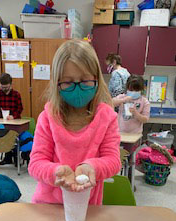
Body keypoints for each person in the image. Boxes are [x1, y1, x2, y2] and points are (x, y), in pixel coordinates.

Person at [28, 39, 121, 205]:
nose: (77, 89)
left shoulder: (107, 116)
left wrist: (92, 167)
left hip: (87, 206)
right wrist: (55, 172)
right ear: (57, 84)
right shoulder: (48, 117)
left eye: (85, 81)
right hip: (48, 206)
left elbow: (113, 161)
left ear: (97, 80)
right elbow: (35, 164)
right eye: (68, 82)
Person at [0, 73, 23, 165]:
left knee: (13, 136)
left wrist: (13, 116)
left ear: (11, 84)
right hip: (2, 122)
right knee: (3, 136)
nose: (4, 89)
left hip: (15, 122)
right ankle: (7, 157)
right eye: (2, 87)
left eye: (6, 87)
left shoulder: (16, 94)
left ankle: (16, 157)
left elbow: (20, 108)